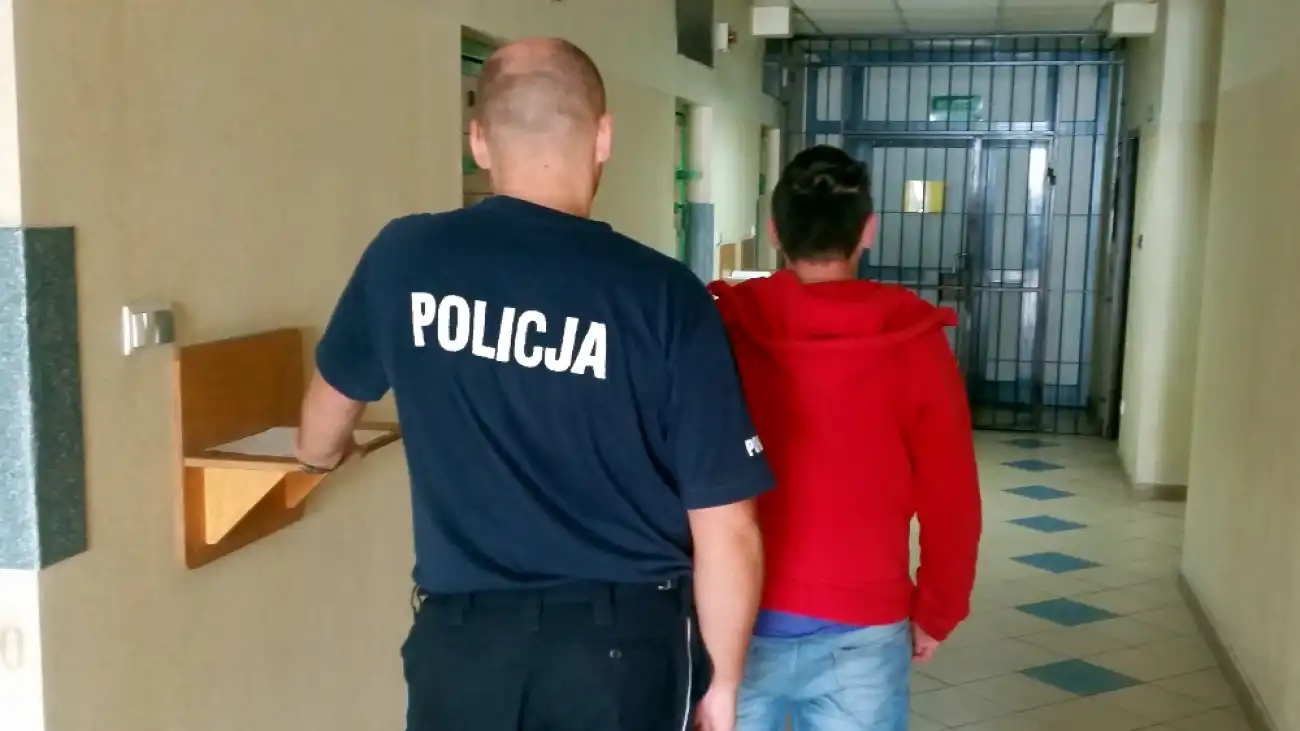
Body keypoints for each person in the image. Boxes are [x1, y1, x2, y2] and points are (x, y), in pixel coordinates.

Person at [294, 37, 772, 731]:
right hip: (623, 655)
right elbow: (729, 527)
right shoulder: (665, 296)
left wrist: (324, 457)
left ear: (478, 142)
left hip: (464, 650)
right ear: (604, 136)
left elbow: (318, 432)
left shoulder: (403, 257)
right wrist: (722, 685)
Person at [707, 145, 983, 731]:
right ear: (868, 230)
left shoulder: (726, 330)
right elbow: (951, 497)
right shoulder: (915, 342)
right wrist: (939, 608)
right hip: (863, 623)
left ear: (775, 230)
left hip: (733, 615)